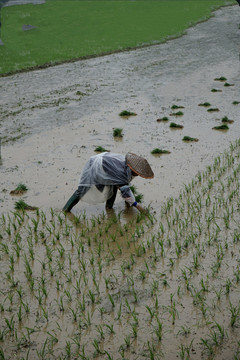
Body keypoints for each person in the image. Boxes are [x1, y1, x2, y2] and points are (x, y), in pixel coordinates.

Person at [62, 152, 154, 213]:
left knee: (113, 187)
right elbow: (125, 191)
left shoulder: (126, 165)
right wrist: (137, 206)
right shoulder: (122, 173)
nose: (137, 175)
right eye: (137, 173)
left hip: (105, 163)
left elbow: (123, 186)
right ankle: (66, 209)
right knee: (83, 189)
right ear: (133, 169)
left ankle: (109, 207)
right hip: (96, 165)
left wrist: (128, 202)